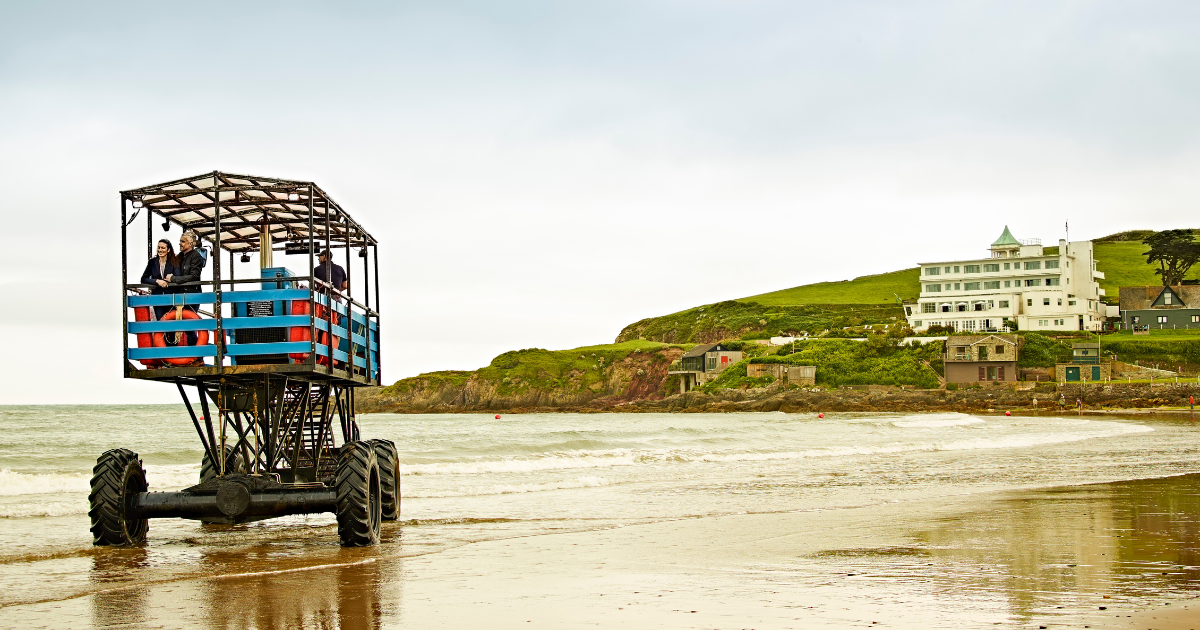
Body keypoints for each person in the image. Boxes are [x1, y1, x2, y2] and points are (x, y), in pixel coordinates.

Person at [167, 230, 207, 347]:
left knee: (189, 327)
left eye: (183, 241)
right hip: (179, 295)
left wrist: (174, 279)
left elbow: (194, 276)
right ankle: (173, 354)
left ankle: (195, 354)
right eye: (180, 241)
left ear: (190, 244)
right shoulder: (179, 257)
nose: (180, 243)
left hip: (192, 295)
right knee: (173, 324)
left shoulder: (196, 257)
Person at [140, 239, 180, 320]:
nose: (160, 250)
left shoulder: (174, 261)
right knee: (160, 321)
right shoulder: (152, 262)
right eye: (158, 247)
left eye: (163, 248)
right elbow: (143, 279)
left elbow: (178, 276)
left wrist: (171, 279)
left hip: (172, 298)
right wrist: (157, 281)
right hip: (157, 298)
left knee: (171, 323)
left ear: (168, 250)